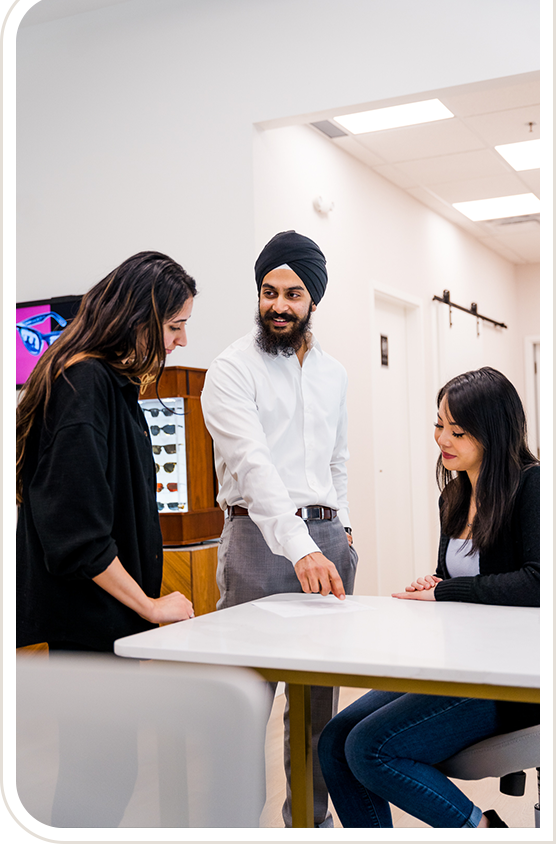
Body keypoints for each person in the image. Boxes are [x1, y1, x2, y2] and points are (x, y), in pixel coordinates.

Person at [16, 251, 197, 825]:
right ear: (138, 318)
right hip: (88, 618)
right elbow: (75, 533)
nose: (182, 341)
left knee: (104, 771)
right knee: (101, 775)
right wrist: (149, 603)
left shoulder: (99, 381)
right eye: (174, 327)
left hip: (99, 620)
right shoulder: (84, 382)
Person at [318, 367, 539, 829]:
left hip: (507, 676)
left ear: (493, 432)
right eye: (439, 424)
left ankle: (481, 829)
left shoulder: (532, 487)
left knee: (368, 748)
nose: (443, 438)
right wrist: (433, 584)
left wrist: (446, 590)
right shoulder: (455, 495)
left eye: (457, 430)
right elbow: (455, 578)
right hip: (456, 663)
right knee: (334, 738)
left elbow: (536, 584)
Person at [201, 230, 358, 827]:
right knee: (244, 701)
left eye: (293, 293)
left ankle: (308, 825)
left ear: (313, 299)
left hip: (327, 541)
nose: (279, 305)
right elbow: (255, 469)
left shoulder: (334, 373)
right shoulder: (231, 369)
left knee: (320, 708)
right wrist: (299, 548)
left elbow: (337, 461)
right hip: (256, 543)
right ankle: (233, 826)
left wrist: (342, 534)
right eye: (269, 291)